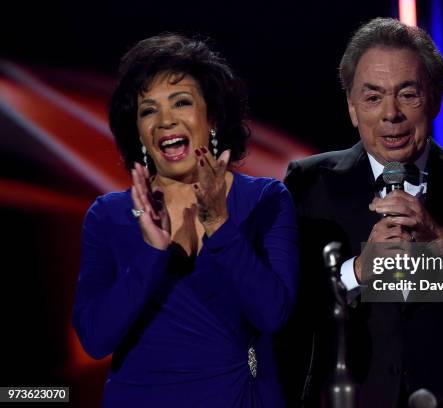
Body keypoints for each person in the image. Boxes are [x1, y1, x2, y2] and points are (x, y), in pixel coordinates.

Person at [278, 18, 443, 407]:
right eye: (373, 98)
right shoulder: (308, 183)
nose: (391, 114)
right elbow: (282, 307)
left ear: (437, 98)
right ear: (352, 108)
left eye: (408, 95)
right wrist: (355, 272)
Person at [72, 33, 299, 407]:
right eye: (148, 110)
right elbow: (95, 339)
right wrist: (150, 254)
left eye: (181, 102)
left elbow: (272, 314)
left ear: (211, 116)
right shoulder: (107, 216)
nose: (165, 121)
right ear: (140, 133)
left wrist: (221, 227)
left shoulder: (265, 200)